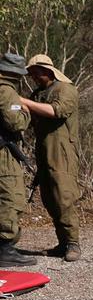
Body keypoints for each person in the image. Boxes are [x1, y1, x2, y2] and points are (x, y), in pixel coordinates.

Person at [21, 54, 82, 261]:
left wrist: (24, 102)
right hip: (43, 150)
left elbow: (57, 111)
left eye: (35, 72)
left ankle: (73, 243)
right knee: (49, 198)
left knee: (63, 197)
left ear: (47, 70)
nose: (33, 77)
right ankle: (63, 243)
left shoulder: (66, 89)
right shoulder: (37, 93)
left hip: (62, 151)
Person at [0, 52, 34, 267]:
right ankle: (5, 249)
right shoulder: (6, 91)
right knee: (10, 197)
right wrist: (27, 113)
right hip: (3, 154)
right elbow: (16, 123)